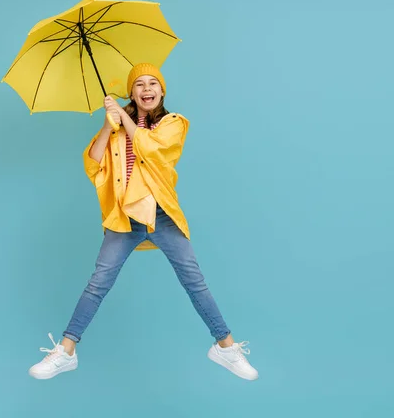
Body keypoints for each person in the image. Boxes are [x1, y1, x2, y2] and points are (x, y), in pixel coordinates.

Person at [28, 63, 258, 381]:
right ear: (131, 93)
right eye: (139, 84)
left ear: (162, 91)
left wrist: (122, 117)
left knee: (195, 282)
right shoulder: (117, 125)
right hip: (125, 217)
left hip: (160, 214)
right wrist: (109, 125)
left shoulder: (173, 123)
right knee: (98, 284)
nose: (147, 88)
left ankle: (226, 348)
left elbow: (152, 150)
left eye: (153, 83)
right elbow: (93, 165)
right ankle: (66, 351)